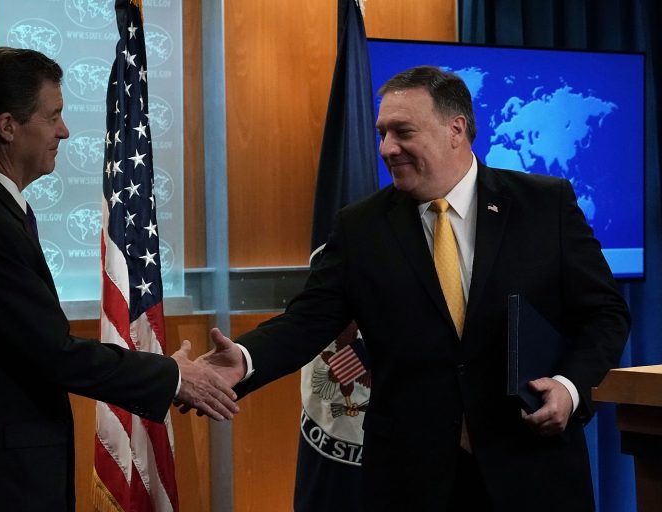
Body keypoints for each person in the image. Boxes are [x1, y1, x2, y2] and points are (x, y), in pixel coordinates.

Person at [195, 66, 630, 511]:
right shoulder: (360, 226)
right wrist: (244, 360)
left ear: (455, 129)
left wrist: (570, 387)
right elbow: (306, 321)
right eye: (382, 133)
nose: (387, 148)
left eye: (402, 131)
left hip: (533, 468)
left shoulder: (544, 204)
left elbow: (604, 314)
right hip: (411, 479)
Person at [0, 47, 238, 512]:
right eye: (53, 115)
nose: (65, 130)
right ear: (7, 126)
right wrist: (174, 377)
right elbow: (53, 353)